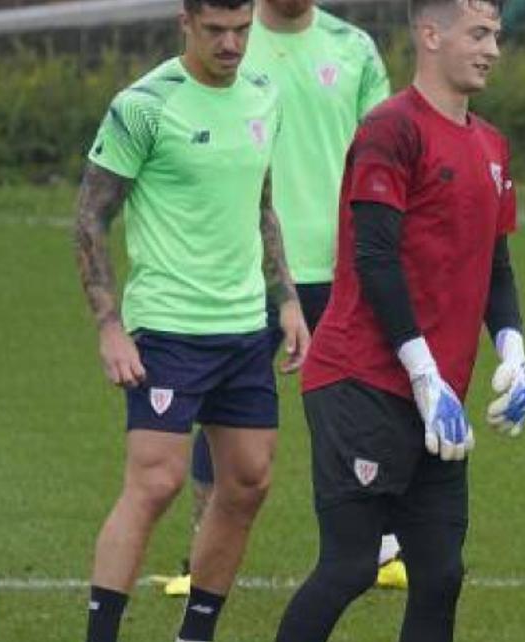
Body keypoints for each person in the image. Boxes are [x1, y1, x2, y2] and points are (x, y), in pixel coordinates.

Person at [230, 0, 525, 642]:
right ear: (429, 35)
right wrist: (425, 370)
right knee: (350, 565)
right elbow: (373, 256)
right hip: (360, 378)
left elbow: (495, 262)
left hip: (435, 399)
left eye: (497, 36)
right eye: (479, 34)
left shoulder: (493, 147)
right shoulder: (390, 130)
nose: (492, 49)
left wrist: (513, 349)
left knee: (441, 573)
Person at [67, 0, 310, 642]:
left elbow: (262, 205)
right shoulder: (143, 106)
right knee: (156, 482)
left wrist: (287, 300)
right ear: (186, 24)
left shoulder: (265, 93)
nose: (232, 44)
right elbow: (89, 217)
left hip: (243, 330)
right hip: (169, 328)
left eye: (241, 30)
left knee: (248, 481)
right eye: (217, 32)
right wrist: (109, 325)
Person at [163, 0, 402, 598]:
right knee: (221, 410)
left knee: (364, 401)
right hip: (247, 265)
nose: (228, 39)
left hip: (341, 259)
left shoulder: (354, 48)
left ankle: (382, 543)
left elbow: (388, 151)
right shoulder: (228, 43)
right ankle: (199, 555)